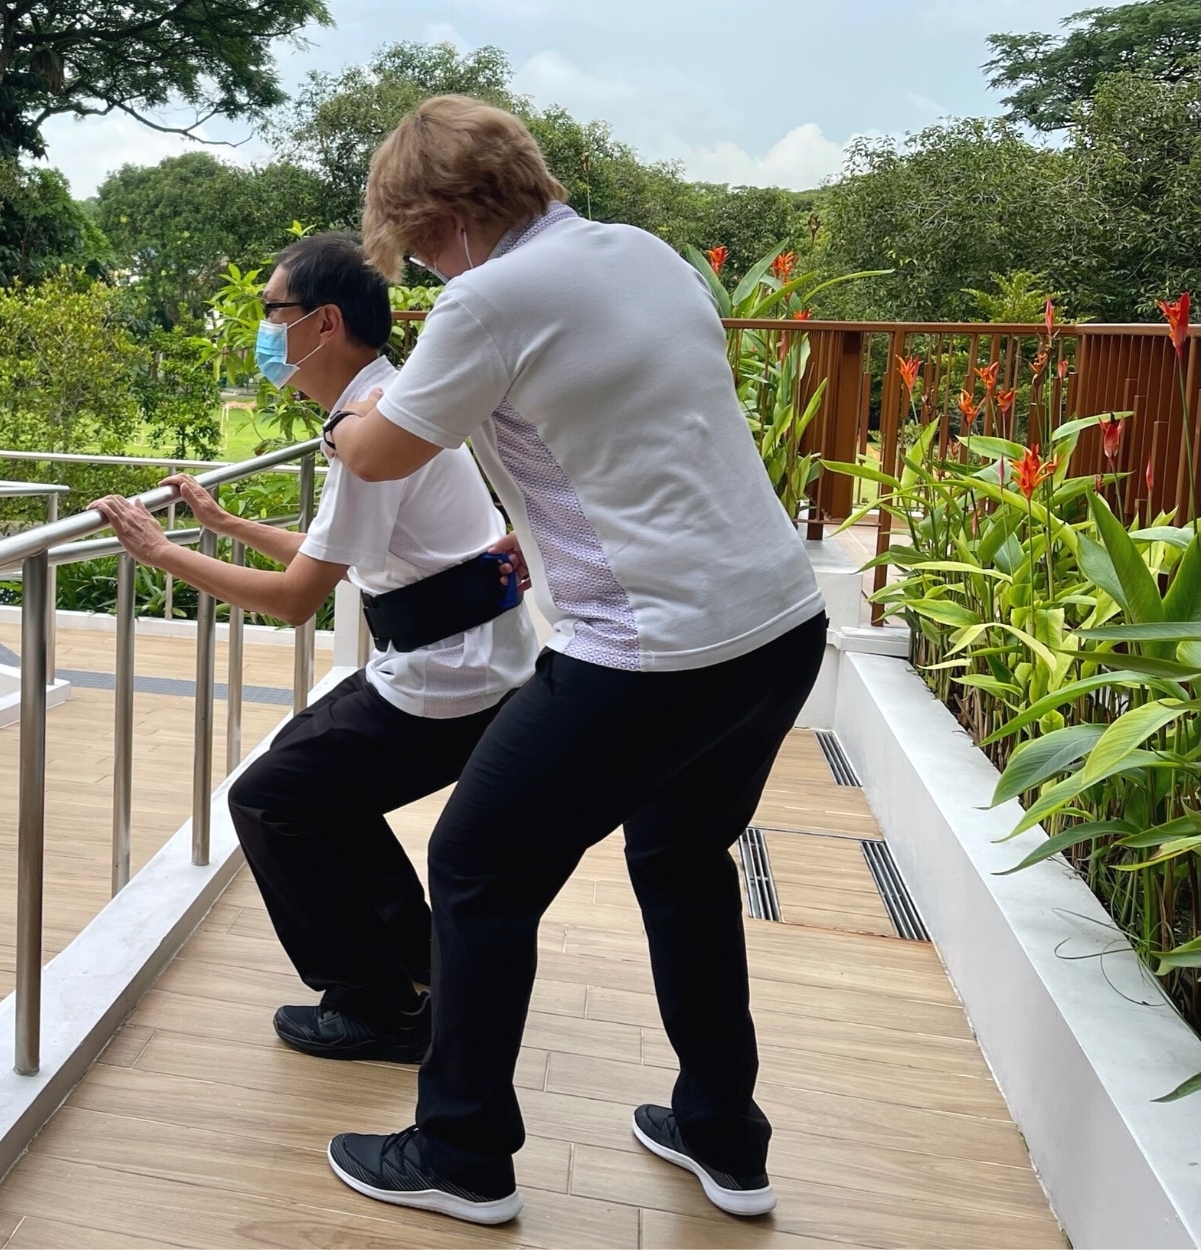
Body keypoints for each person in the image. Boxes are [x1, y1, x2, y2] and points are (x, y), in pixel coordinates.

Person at [316, 96, 827, 1227]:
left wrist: (340, 418)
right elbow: (627, 429)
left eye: (418, 244)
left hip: (651, 652)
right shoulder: (638, 251)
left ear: (446, 218)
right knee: (682, 861)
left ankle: (459, 1152)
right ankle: (722, 1134)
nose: (423, 266)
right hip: (775, 625)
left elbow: (381, 449)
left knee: (476, 866)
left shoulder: (488, 296)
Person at [92, 231, 541, 1065]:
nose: (263, 329)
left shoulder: (373, 430)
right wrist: (225, 525)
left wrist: (160, 553)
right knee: (311, 783)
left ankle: (376, 1005)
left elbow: (297, 599)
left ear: (324, 322)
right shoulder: (386, 409)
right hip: (467, 660)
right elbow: (338, 554)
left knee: (271, 800)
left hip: (447, 679)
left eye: (273, 311)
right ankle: (415, 958)